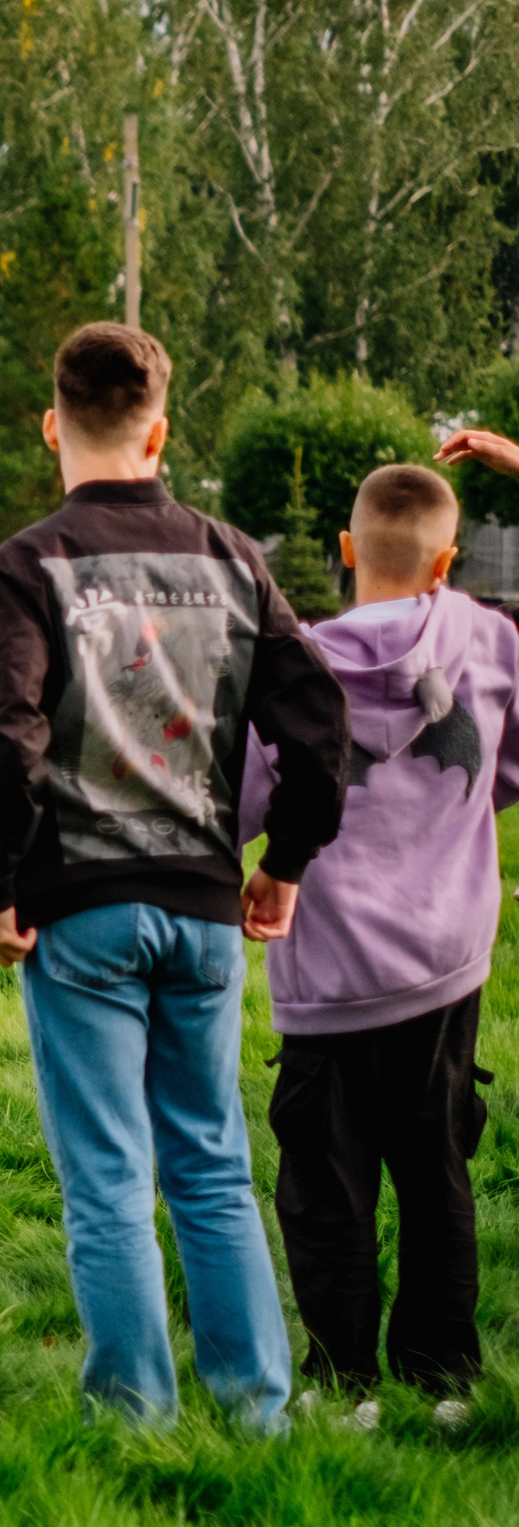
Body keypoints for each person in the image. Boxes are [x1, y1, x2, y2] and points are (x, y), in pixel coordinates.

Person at [0, 322, 348, 1431]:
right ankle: (256, 1413)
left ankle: (133, 1419)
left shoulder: (30, 562)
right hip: (202, 906)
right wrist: (286, 866)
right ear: (160, 429)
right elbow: (318, 723)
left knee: (108, 1181)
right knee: (214, 1166)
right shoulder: (230, 556)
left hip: (78, 913)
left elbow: (5, 731)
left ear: (52, 424)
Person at [242, 460, 519, 1421]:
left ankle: (341, 1379)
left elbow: (242, 803)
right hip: (448, 964)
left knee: (326, 1182)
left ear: (348, 549)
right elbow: (506, 769)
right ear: (448, 559)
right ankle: (443, 1378)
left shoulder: (296, 665)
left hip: (329, 976)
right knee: (436, 1162)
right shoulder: (489, 638)